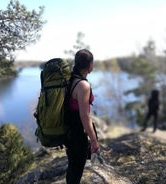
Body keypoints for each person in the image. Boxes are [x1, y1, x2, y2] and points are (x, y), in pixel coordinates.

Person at [65, 49, 100, 184]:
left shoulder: (71, 79)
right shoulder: (83, 85)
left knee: (73, 166)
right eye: (93, 62)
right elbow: (84, 116)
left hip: (68, 129)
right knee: (76, 169)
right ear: (90, 64)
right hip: (77, 133)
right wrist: (94, 140)